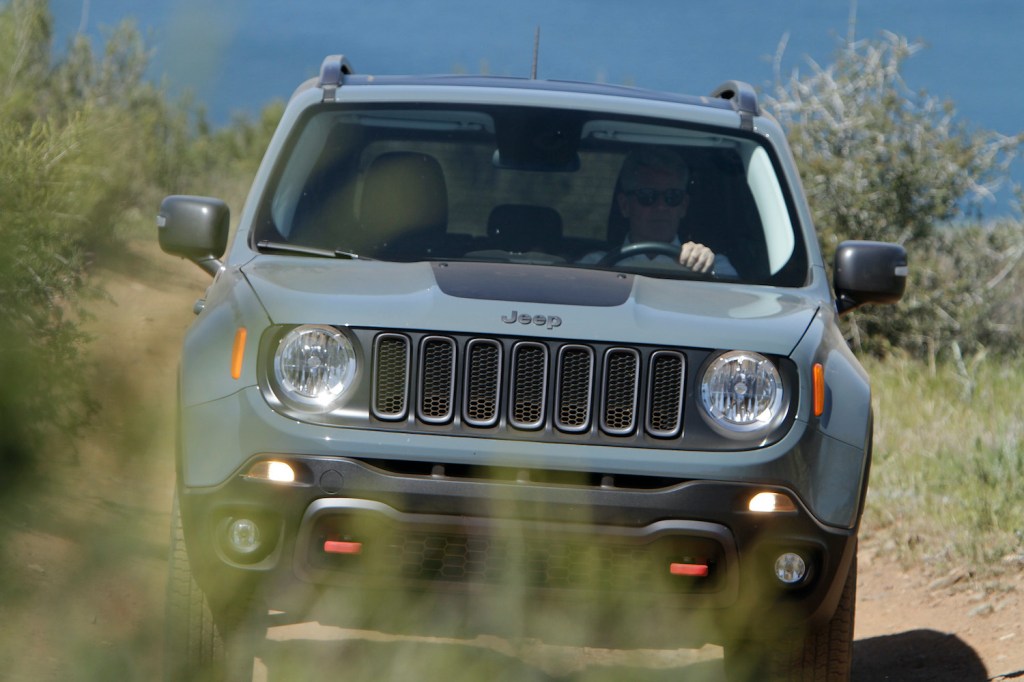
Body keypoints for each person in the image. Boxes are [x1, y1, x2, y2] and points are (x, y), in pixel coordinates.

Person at [581, 147, 737, 277]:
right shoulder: (593, 265)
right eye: (647, 196)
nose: (661, 206)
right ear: (625, 205)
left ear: (683, 206)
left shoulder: (714, 266)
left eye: (672, 197)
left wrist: (707, 270)